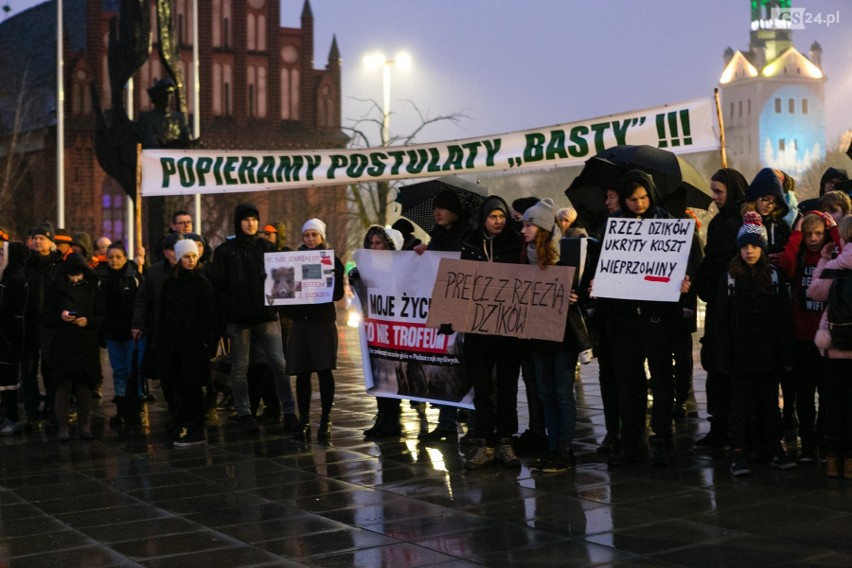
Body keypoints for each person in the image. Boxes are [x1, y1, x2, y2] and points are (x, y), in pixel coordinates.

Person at [603, 171, 694, 467]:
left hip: (658, 317)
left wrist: (683, 283)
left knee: (662, 379)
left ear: (651, 195)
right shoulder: (614, 227)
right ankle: (632, 442)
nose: (639, 203)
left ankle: (663, 439)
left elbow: (685, 264)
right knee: (630, 382)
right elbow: (603, 266)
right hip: (626, 319)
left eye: (643, 197)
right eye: (632, 198)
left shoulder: (668, 224)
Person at [715, 212, 796, 476]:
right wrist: (723, 355)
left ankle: (773, 446)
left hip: (768, 354)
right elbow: (721, 321)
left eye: (754, 246)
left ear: (762, 248)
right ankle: (738, 451)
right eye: (745, 247)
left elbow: (783, 318)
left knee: (770, 404)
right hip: (741, 355)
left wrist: (786, 353)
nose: (749, 251)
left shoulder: (773, 277)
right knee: (739, 405)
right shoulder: (729, 278)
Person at [209, 203, 298, 435]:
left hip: (266, 316)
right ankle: (244, 414)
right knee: (240, 367)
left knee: (279, 363)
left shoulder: (267, 247)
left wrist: (276, 305)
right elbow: (217, 286)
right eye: (246, 219)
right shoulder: (225, 251)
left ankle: (289, 411)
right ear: (238, 222)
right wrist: (230, 309)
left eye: (254, 219)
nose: (251, 223)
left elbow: (282, 279)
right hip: (239, 320)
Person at [460, 196, 524, 470]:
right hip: (477, 328)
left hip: (508, 328)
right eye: (492, 217)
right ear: (484, 219)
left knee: (507, 385)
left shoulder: (515, 243)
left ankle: (506, 441)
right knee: (482, 386)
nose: (498, 222)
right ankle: (485, 441)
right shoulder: (471, 244)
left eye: (501, 216)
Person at [518, 198, 581, 473]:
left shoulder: (567, 254)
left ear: (542, 227)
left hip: (564, 333)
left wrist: (575, 295)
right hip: (538, 332)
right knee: (545, 393)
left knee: (562, 393)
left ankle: (565, 450)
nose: (523, 229)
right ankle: (553, 447)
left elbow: (585, 288)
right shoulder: (527, 255)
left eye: (528, 224)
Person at [693, 168, 749, 450]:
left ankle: (730, 427)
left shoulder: (738, 223)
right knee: (716, 366)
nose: (715, 198)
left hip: (732, 307)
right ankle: (720, 425)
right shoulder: (719, 222)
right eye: (713, 191)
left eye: (719, 192)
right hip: (717, 305)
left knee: (726, 367)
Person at [415, 189, 475, 443]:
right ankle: (446, 423)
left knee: (468, 368)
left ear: (455, 211)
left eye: (442, 207)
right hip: (446, 308)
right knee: (446, 366)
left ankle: (474, 425)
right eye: (435, 208)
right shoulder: (438, 236)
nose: (436, 213)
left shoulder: (470, 235)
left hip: (468, 309)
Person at [285, 218, 344, 441]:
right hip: (301, 322)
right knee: (302, 372)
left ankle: (326, 419)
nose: (310, 239)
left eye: (314, 235)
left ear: (322, 237)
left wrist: (334, 276)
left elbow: (337, 294)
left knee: (324, 370)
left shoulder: (331, 260)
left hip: (322, 322)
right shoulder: (293, 260)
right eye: (306, 235)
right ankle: (304, 420)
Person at [352, 225, 413, 439]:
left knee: (392, 377)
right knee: (379, 374)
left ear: (390, 245)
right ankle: (383, 417)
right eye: (371, 244)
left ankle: (392, 420)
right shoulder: (366, 269)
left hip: (394, 330)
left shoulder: (399, 269)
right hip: (376, 331)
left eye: (379, 243)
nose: (374, 247)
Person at [158, 238, 215, 447]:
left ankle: (197, 427)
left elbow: (208, 316)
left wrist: (204, 341)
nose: (191, 260)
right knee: (177, 385)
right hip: (173, 344)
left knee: (193, 387)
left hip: (193, 344)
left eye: (193, 256)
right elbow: (163, 313)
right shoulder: (170, 283)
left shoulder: (202, 283)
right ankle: (183, 422)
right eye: (186, 257)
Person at [807, 216, 852, 477]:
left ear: (843, 238)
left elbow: (815, 291)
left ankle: (833, 460)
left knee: (834, 404)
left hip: (834, 344)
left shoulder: (835, 264)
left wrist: (824, 259)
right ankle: (850, 462)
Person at [45, 253, 106, 441]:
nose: (75, 278)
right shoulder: (55, 289)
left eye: (78, 274)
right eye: (72, 275)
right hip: (63, 342)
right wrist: (61, 316)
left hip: (85, 342)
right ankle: (63, 427)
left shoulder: (94, 290)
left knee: (84, 385)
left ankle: (84, 425)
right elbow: (46, 315)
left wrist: (88, 321)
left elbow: (102, 315)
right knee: (62, 385)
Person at [131, 232, 181, 434]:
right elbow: (142, 300)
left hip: (184, 333)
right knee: (167, 377)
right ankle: (175, 412)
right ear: (166, 252)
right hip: (162, 331)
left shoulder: (192, 270)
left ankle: (183, 413)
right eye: (173, 249)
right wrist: (138, 324)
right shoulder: (154, 273)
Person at [97, 241, 145, 428]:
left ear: (125, 258)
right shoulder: (102, 279)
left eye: (118, 257)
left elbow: (141, 304)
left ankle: (136, 406)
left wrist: (139, 325)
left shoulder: (134, 277)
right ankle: (122, 407)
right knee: (119, 371)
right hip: (112, 331)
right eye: (111, 257)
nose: (114, 261)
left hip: (132, 331)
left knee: (134, 369)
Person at [22, 223, 63, 431]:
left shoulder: (59, 266)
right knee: (28, 371)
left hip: (51, 326)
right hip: (28, 326)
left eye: (42, 238)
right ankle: (32, 411)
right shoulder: (25, 265)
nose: (38, 241)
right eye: (35, 237)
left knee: (51, 369)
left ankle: (52, 408)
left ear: (51, 242)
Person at [0, 241, 29, 435]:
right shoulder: (8, 278)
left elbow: (11, 312)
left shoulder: (15, 280)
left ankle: (12, 419)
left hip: (8, 338)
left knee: (8, 379)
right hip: (5, 337)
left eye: (3, 253)